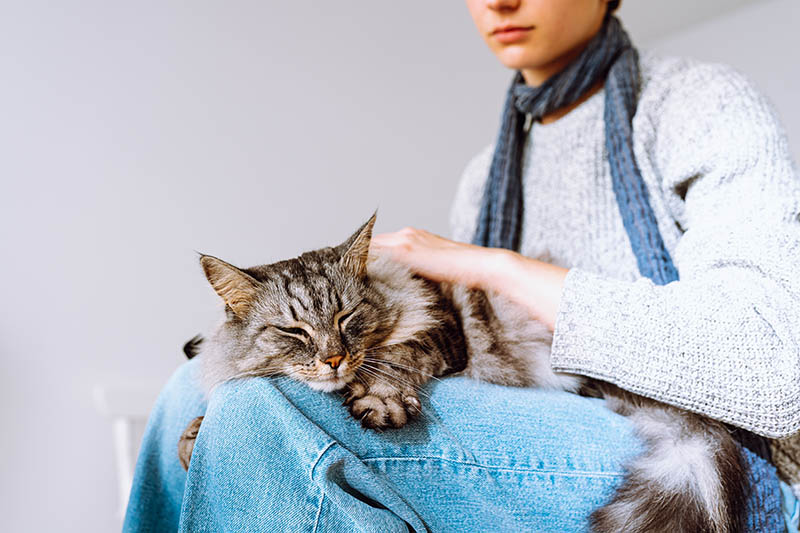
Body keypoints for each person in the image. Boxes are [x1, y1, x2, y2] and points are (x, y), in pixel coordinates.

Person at [124, 0, 800, 531]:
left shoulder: (699, 104)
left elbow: (774, 366)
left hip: (717, 450)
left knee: (258, 410)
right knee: (191, 387)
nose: (499, 1)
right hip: (543, 407)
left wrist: (497, 267)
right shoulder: (489, 175)